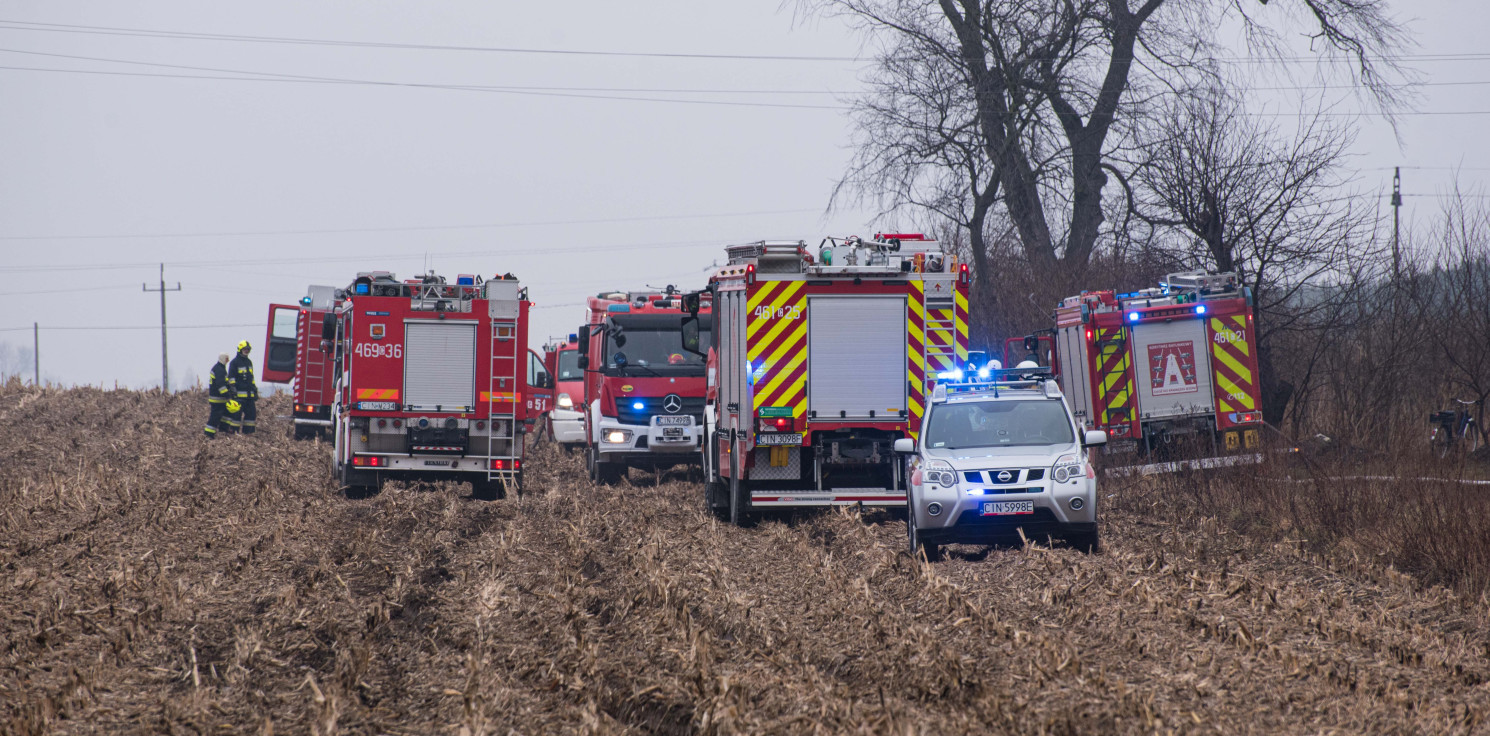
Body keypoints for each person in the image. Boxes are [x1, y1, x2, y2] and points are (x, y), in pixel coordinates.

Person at [227, 340, 259, 435]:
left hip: (249, 396)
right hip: (239, 396)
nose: (247, 351)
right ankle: (234, 432)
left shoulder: (249, 362)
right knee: (236, 416)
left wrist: (255, 390)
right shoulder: (234, 363)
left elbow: (251, 378)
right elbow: (231, 378)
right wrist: (233, 391)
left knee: (251, 415)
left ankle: (248, 433)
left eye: (248, 349)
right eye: (245, 349)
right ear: (240, 349)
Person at [204, 353, 232, 437]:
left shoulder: (220, 368)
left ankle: (223, 431)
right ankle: (208, 434)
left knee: (225, 415)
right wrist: (227, 395)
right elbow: (221, 385)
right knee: (215, 418)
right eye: (227, 359)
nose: (228, 361)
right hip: (217, 399)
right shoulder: (220, 370)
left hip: (219, 399)